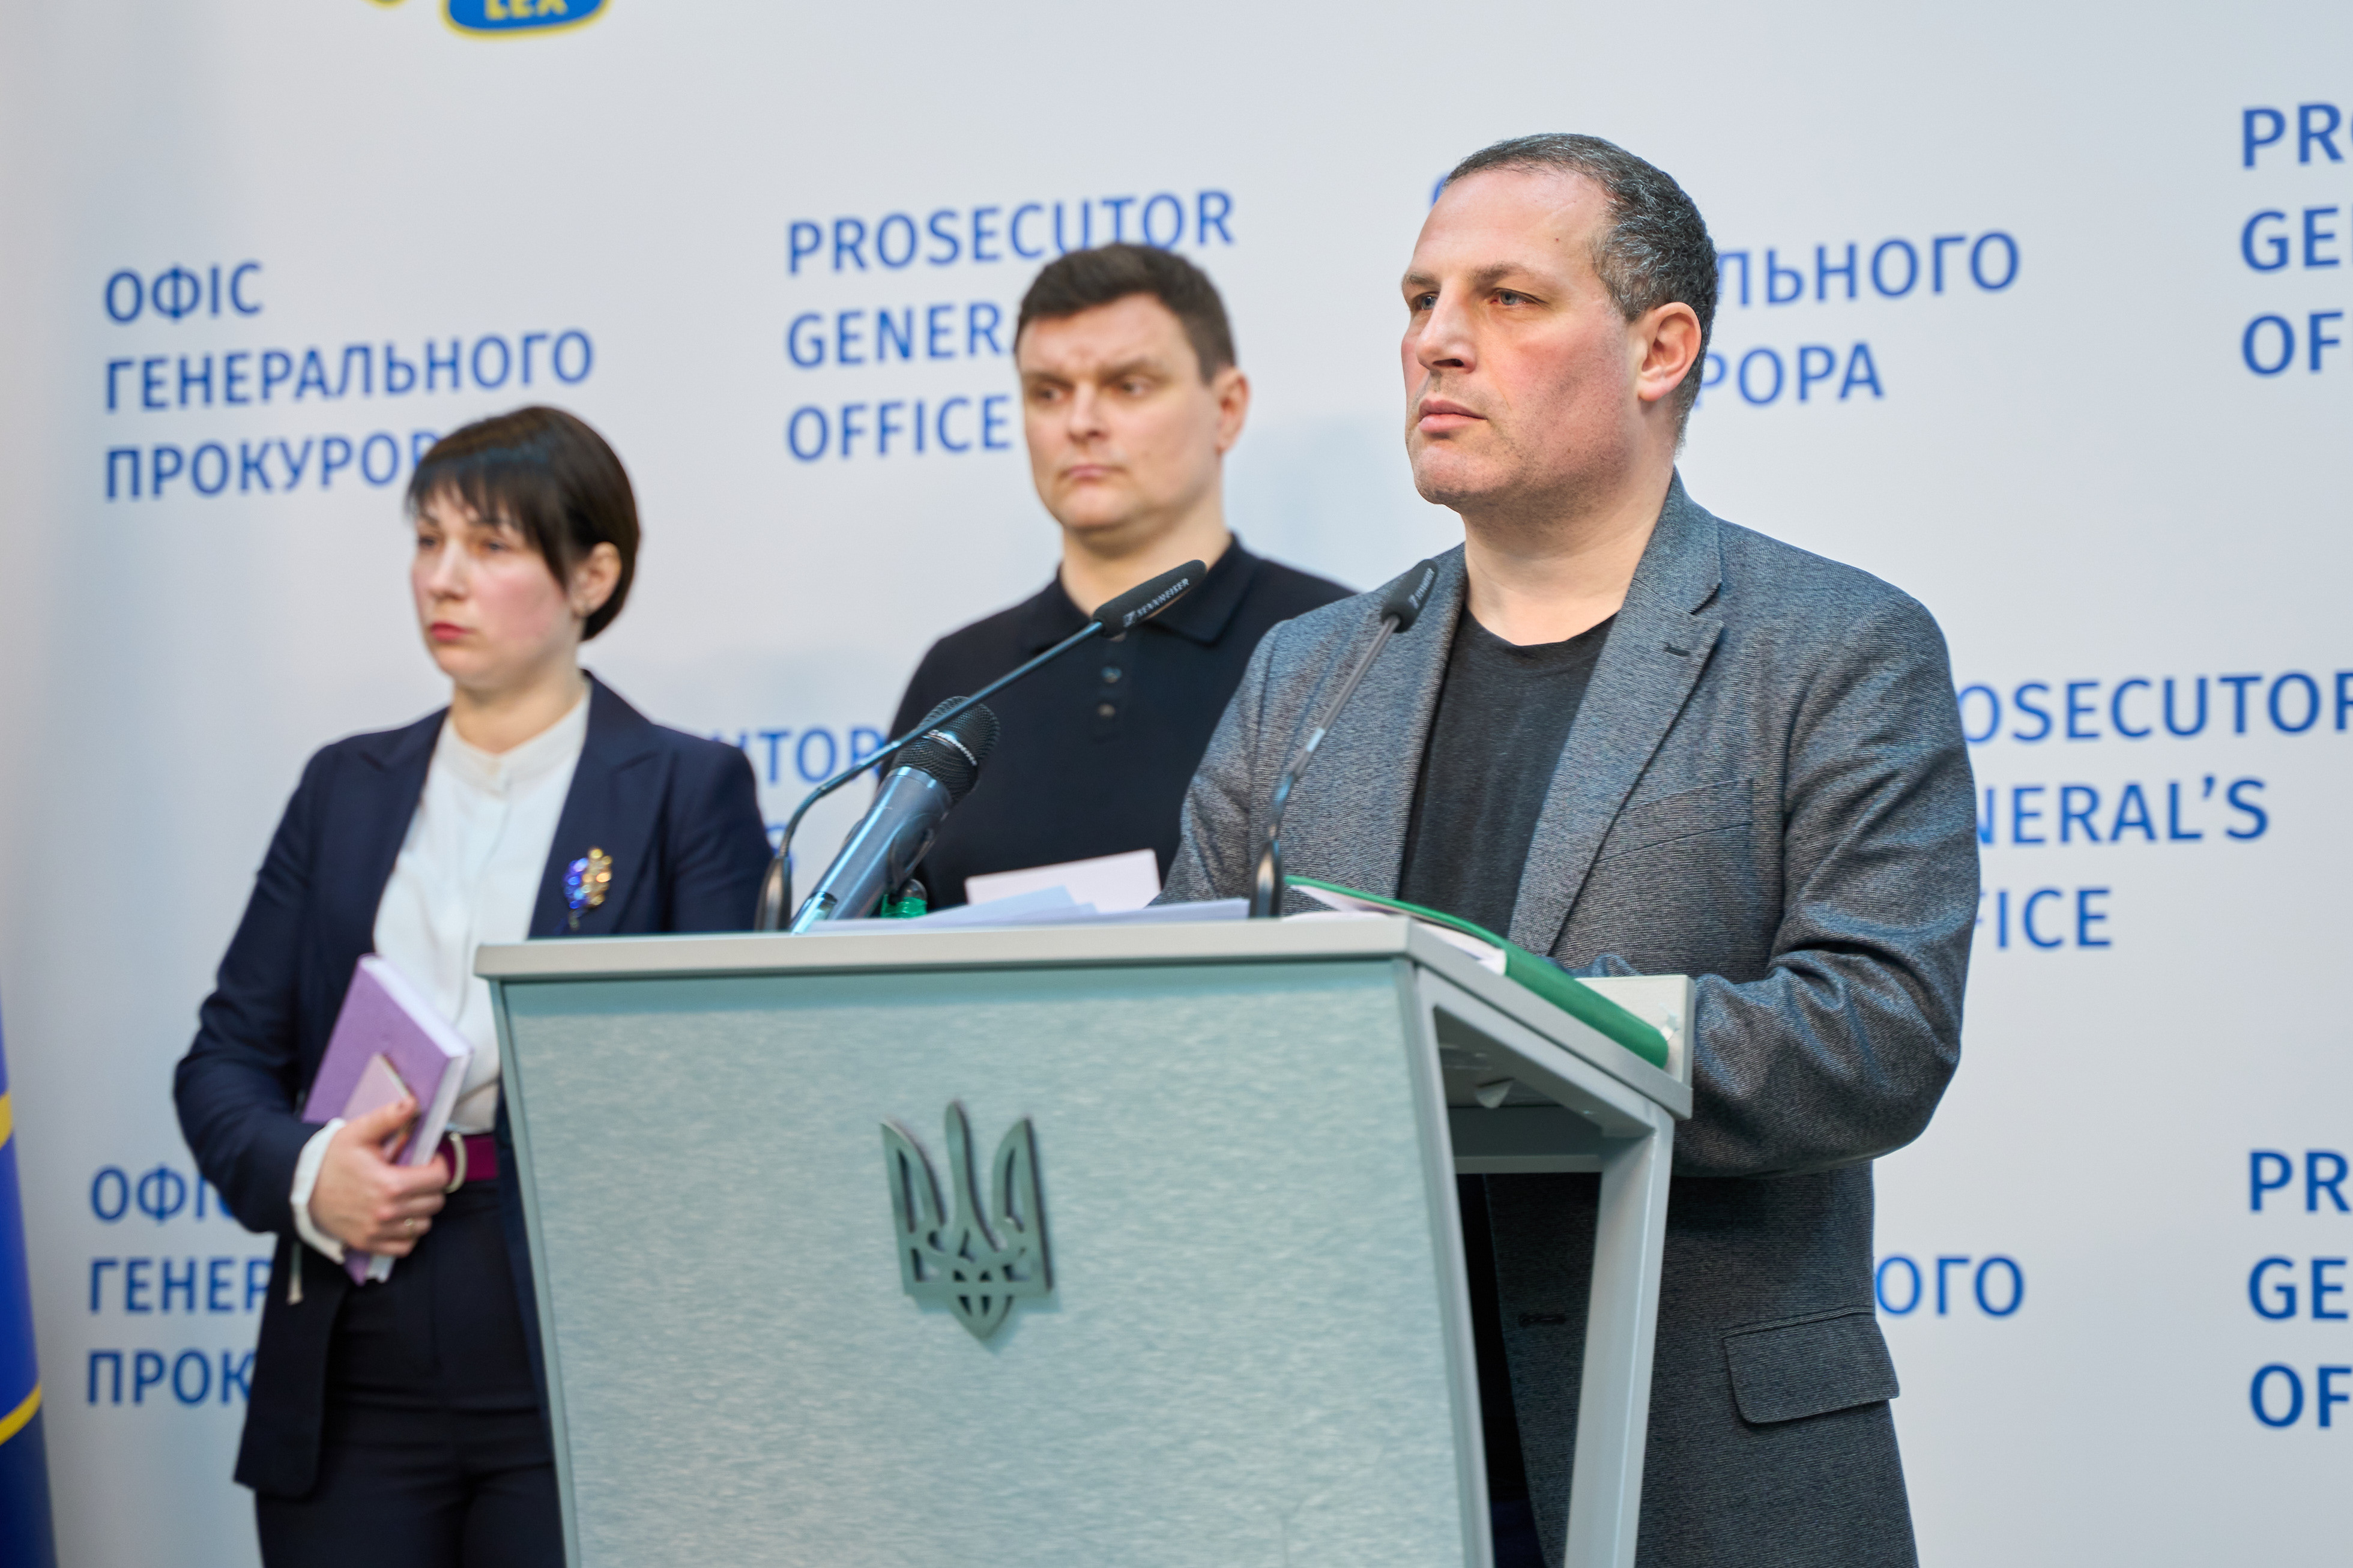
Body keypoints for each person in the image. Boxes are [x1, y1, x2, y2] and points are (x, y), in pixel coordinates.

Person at [1162, 135, 1978, 1567]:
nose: (1436, 340)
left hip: (1695, 1463)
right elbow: (1182, 1023)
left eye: (1507, 298)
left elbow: (1877, 1034)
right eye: (1419, 300)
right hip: (1344, 1465)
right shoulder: (1308, 674)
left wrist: (1546, 1027)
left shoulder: (1834, 649)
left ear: (1660, 349)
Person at [173, 406, 773, 1567]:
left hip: (577, 1345)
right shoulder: (343, 786)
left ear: (592, 576)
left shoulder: (683, 789)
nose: (443, 578)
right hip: (353, 1331)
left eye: (491, 545)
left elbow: (727, 1091)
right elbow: (225, 1060)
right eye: (428, 540)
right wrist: (310, 1173)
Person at [890, 244, 1349, 908]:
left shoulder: (1337, 646)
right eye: (1048, 393)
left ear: (1226, 409)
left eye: (1128, 386)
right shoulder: (959, 678)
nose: (1080, 423)